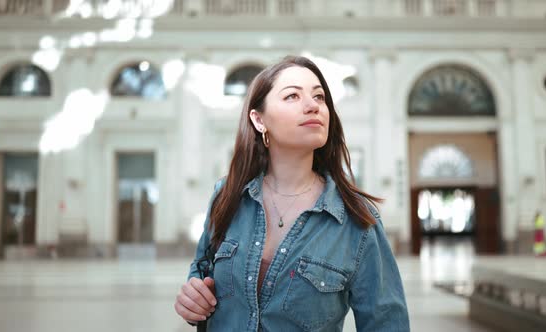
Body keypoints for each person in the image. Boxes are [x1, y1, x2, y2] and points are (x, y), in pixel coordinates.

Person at [174, 55, 410, 331]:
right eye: (292, 97)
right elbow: (202, 272)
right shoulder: (228, 195)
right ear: (259, 119)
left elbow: (386, 324)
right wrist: (193, 300)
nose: (313, 106)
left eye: (319, 97)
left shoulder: (356, 219)